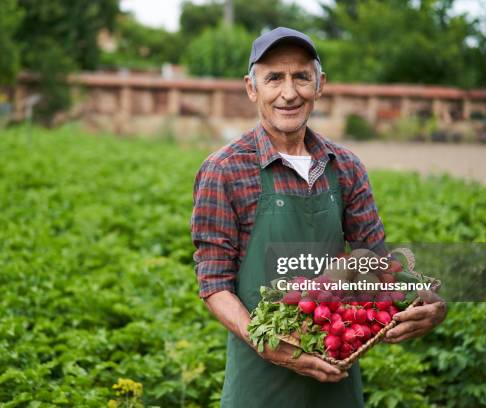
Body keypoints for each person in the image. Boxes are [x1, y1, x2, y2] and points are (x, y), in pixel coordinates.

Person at [191, 27, 446, 407]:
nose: (289, 93)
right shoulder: (225, 170)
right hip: (259, 384)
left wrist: (424, 301)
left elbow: (375, 264)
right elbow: (214, 283)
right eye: (274, 78)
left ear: (320, 83)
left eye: (301, 77)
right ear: (251, 88)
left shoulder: (345, 167)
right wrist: (268, 343)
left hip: (337, 374)